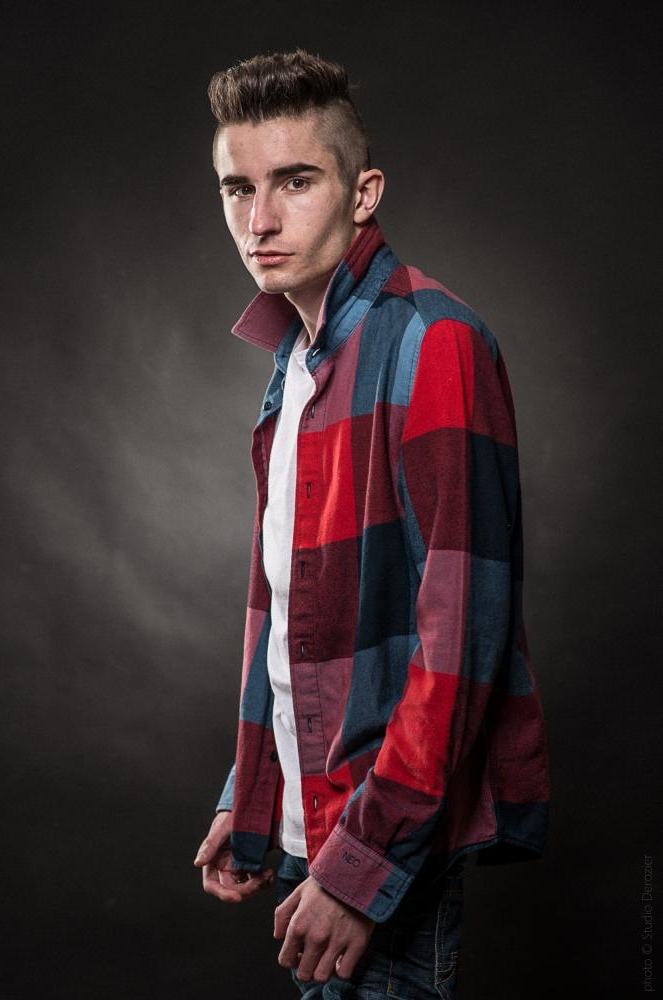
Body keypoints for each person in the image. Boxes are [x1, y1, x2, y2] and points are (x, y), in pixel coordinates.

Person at [193, 49, 550, 999]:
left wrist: (363, 869)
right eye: (238, 188)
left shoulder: (435, 342)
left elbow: (461, 642)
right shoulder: (297, 363)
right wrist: (252, 791)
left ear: (362, 194)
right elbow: (294, 615)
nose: (259, 220)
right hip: (311, 833)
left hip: (379, 850)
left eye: (294, 181)